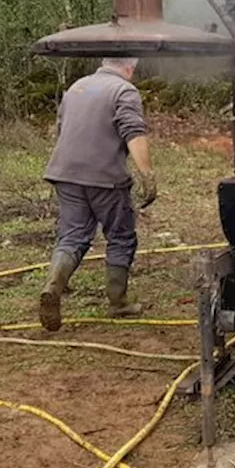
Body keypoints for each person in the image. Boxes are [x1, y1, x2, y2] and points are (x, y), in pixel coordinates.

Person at [39, 57, 158, 332]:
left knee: (73, 235)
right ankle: (118, 303)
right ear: (130, 67)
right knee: (120, 235)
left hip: (65, 173)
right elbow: (133, 133)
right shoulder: (123, 90)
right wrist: (147, 176)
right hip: (105, 178)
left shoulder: (77, 87)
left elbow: (61, 129)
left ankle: (53, 286)